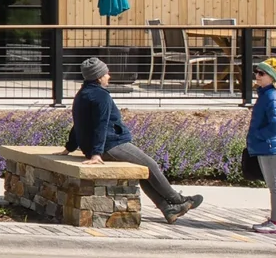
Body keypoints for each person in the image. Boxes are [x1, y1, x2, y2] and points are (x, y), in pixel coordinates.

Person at [63, 56, 202, 222]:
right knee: (150, 164)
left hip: (97, 146)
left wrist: (70, 147)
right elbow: (100, 124)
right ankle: (178, 200)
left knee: (143, 170)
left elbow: (79, 123)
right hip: (111, 144)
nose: (109, 76)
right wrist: (96, 154)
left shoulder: (82, 94)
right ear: (99, 76)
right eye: (106, 73)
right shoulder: (101, 96)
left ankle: (168, 209)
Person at [246, 57, 276, 235]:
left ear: (272, 77)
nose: (257, 75)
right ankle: (274, 219)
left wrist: (258, 135)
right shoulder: (265, 94)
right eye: (256, 72)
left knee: (275, 186)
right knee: (273, 185)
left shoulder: (272, 96)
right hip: (266, 146)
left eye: (261, 73)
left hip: (271, 147)